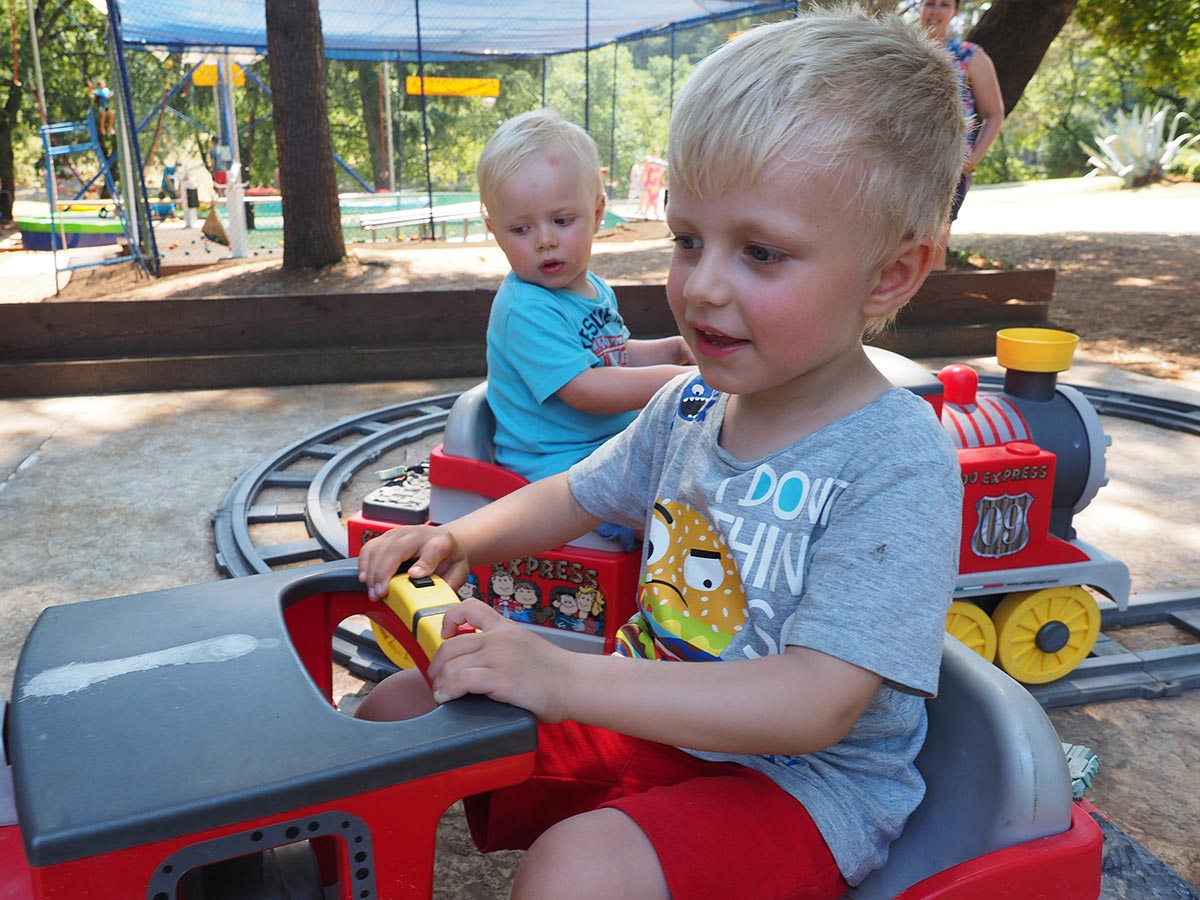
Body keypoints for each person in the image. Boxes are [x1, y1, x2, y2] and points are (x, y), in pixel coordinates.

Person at [357, 9, 965, 899]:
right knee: (397, 713)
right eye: (687, 240)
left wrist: (563, 677)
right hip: (648, 715)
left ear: (890, 275)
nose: (701, 286)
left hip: (799, 785)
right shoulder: (689, 405)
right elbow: (575, 493)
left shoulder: (895, 460)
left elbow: (814, 704)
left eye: (761, 252)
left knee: (572, 871)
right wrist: (457, 540)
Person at [475, 109, 694, 486]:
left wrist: (671, 350)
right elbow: (586, 389)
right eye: (521, 229)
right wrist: (679, 381)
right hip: (555, 465)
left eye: (561, 221)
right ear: (495, 232)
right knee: (680, 490)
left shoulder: (593, 287)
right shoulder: (525, 308)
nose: (545, 240)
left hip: (607, 447)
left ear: (597, 213)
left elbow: (613, 354)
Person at [918, 0, 1005, 269]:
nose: (936, 11)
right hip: (901, 163)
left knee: (931, 247)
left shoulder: (969, 55)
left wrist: (972, 160)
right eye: (929, 3)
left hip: (948, 169)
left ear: (955, 11)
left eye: (944, 4)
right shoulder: (900, 49)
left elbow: (994, 113)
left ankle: (934, 294)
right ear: (919, 7)